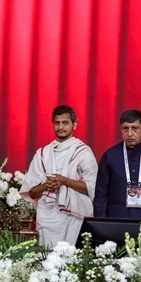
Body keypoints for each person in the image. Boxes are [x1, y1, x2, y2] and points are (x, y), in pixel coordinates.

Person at [19, 105, 97, 249]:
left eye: (65, 123)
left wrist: (64, 181)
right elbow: (31, 192)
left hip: (73, 216)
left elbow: (93, 188)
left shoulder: (83, 152)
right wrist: (46, 185)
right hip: (46, 216)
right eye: (57, 123)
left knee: (70, 260)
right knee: (46, 260)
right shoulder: (42, 154)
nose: (60, 127)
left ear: (74, 125)